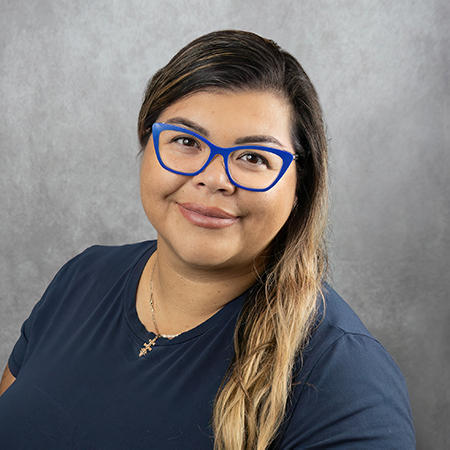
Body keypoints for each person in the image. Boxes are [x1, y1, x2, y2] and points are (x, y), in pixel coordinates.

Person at [0, 30, 415, 449]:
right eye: (186, 141)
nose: (214, 178)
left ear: (298, 186)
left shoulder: (345, 377)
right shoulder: (82, 277)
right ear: (147, 143)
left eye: (253, 157)